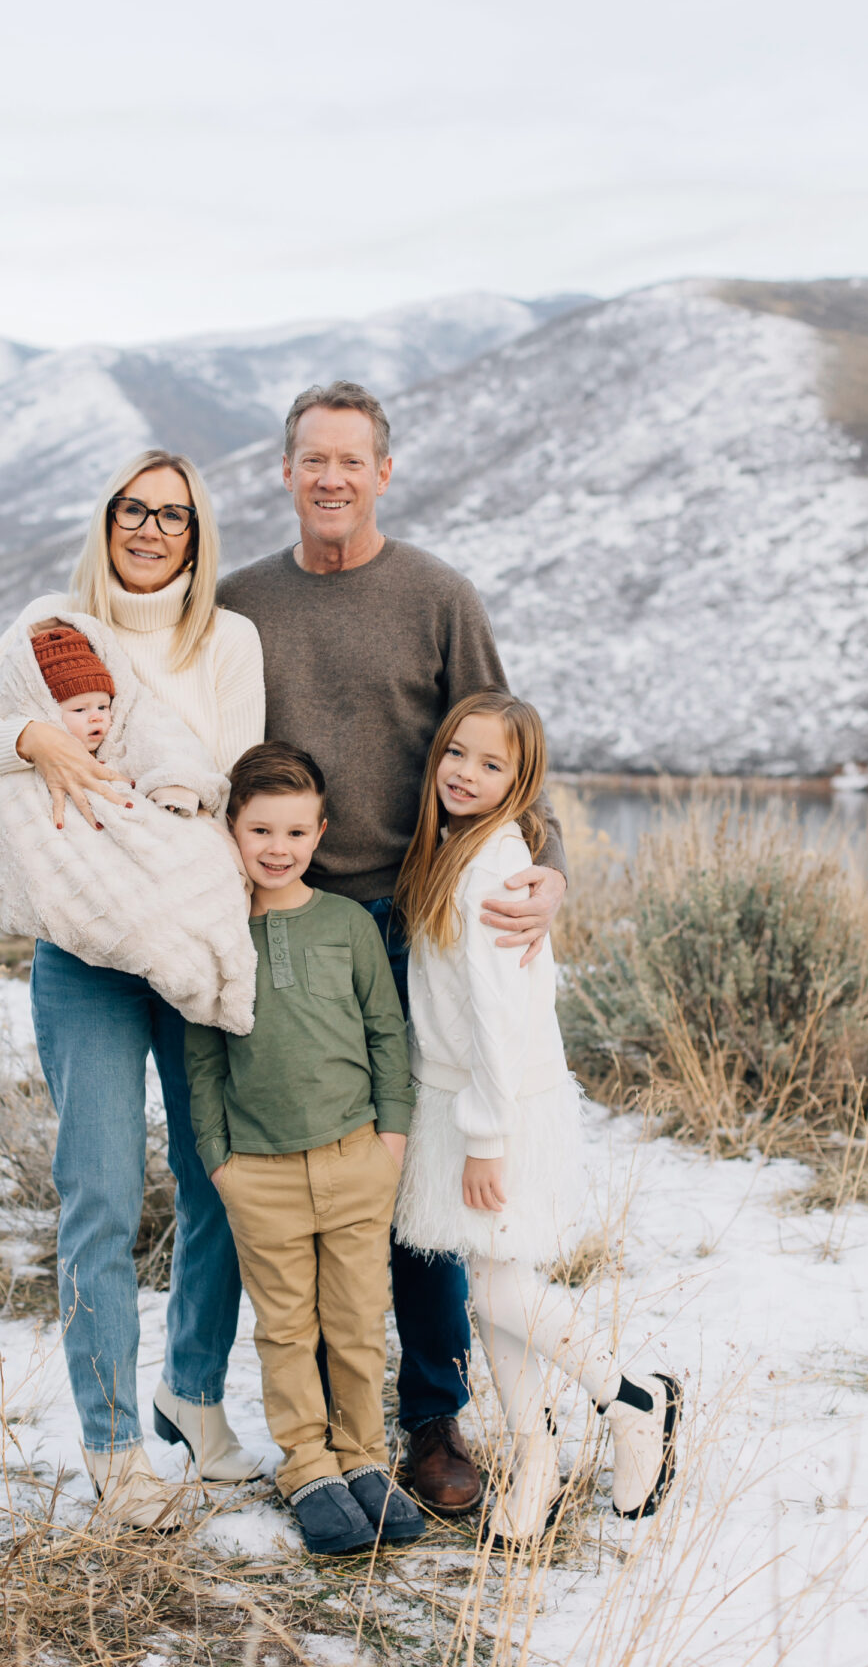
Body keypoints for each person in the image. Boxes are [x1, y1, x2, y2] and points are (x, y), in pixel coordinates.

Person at [217, 381, 569, 1515]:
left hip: (404, 920)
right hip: (284, 924)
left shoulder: (436, 597)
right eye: (312, 460)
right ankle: (323, 1435)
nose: (331, 478)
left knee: (418, 1184)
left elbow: (502, 741)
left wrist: (547, 865)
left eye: (351, 461)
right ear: (285, 472)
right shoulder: (237, 606)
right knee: (287, 1172)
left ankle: (431, 1422)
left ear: (382, 472)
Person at [0, 451, 265, 1529]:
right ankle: (117, 1446)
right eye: (135, 510)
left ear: (197, 531)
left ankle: (196, 1396)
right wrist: (28, 735)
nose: (153, 528)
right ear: (108, 519)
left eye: (174, 514)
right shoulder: (51, 628)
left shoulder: (230, 640)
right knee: (102, 1191)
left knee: (221, 1179)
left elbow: (244, 774)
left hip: (183, 928)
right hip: (84, 944)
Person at [393, 691, 681, 1546]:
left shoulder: (490, 865)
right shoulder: (454, 845)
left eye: (493, 765)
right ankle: (538, 1461)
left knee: (504, 1285)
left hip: (494, 1102)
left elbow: (498, 1019)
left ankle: (633, 1401)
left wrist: (483, 1139)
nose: (467, 774)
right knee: (490, 1291)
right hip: (462, 1094)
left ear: (522, 783)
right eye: (458, 754)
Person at [185, 743, 425, 1555]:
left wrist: (391, 1135)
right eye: (260, 830)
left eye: (295, 830)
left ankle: (361, 1459)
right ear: (233, 830)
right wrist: (221, 1160)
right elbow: (203, 1056)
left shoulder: (347, 925)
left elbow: (386, 1032)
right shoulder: (217, 934)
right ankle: (308, 1468)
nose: (278, 848)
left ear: (320, 833)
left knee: (357, 1322)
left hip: (356, 1158)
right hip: (260, 1174)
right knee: (287, 1329)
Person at [0, 617, 256, 1033]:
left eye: (102, 706)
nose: (97, 718)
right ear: (45, 711)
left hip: (162, 899)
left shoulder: (125, 744)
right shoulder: (23, 777)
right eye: (79, 710)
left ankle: (198, 968)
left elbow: (171, 753)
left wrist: (175, 794)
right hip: (86, 952)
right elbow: (18, 845)